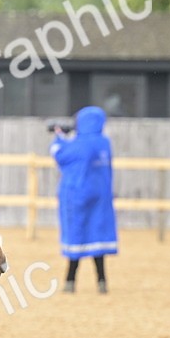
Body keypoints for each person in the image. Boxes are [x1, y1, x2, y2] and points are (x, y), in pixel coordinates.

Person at [50, 106, 116, 293]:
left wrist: (59, 137)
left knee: (76, 235)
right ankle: (102, 282)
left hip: (77, 196)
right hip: (100, 197)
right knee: (98, 236)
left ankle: (70, 281)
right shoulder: (104, 143)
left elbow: (60, 155)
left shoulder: (79, 144)